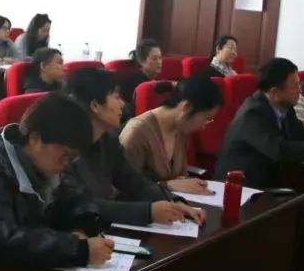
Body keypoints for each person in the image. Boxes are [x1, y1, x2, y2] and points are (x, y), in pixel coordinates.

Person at [0, 93, 113, 268]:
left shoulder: (48, 163)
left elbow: (75, 199)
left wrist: (81, 226)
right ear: (35, 139)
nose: (67, 163)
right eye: (65, 155)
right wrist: (77, 249)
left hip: (31, 269)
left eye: (73, 158)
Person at [57, 68, 205, 228]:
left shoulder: (108, 140)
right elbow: (82, 204)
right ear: (95, 105)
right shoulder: (62, 149)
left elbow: (136, 182)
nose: (122, 105)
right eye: (116, 97)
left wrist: (174, 201)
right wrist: (148, 212)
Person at [216, 58, 304, 188]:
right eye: (295, 87)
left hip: (268, 179)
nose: (299, 91)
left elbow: (301, 132)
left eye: (299, 84)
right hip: (240, 185)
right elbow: (278, 149)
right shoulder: (252, 114)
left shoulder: (285, 106)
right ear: (275, 92)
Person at [120, 76, 224, 193]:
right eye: (206, 118)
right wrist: (166, 185)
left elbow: (180, 176)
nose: (204, 126)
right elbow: (123, 188)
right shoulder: (136, 133)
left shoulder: (181, 129)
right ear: (186, 107)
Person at [119, 38, 164, 121]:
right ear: (142, 62)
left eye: (160, 58)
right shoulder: (132, 85)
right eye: (154, 58)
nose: (159, 62)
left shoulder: (162, 83)